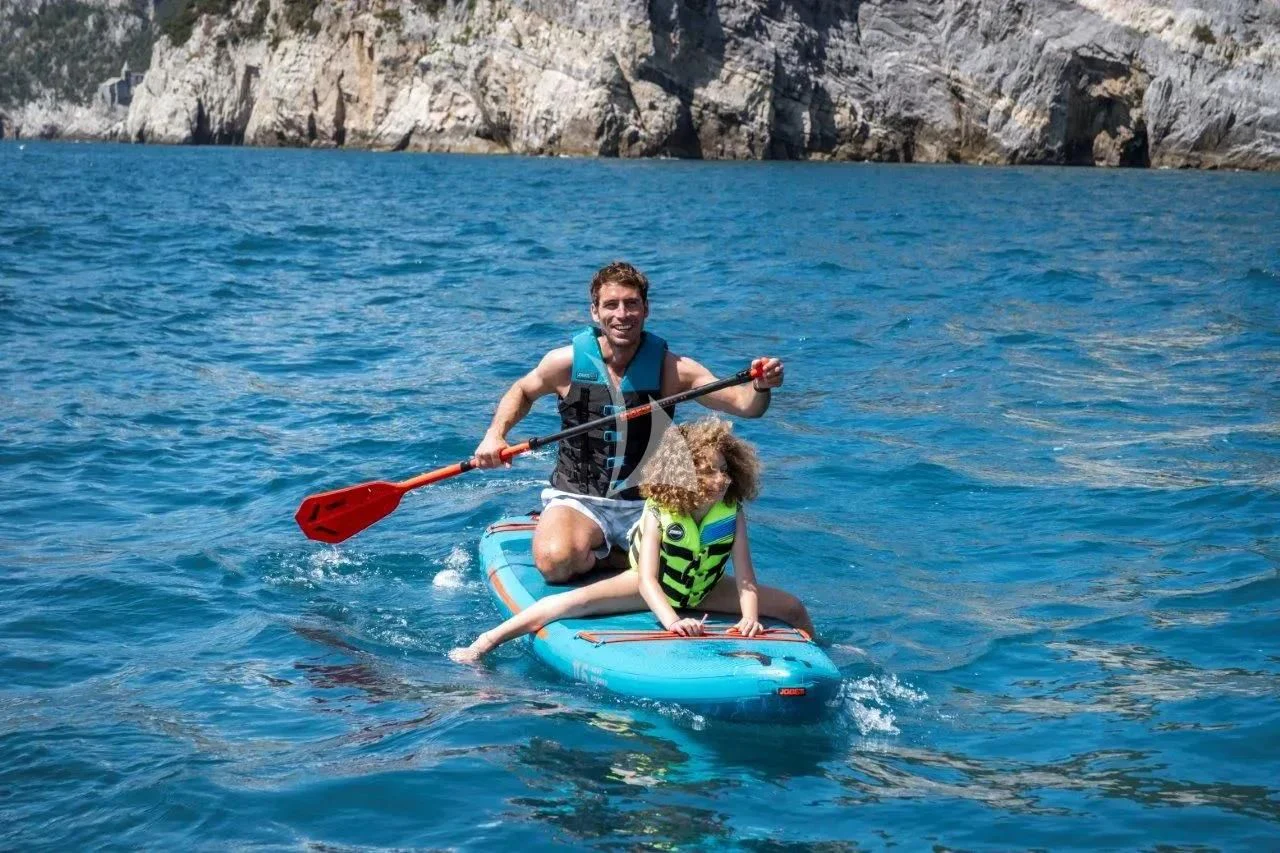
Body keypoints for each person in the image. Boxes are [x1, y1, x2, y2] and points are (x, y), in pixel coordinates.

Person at [472, 261, 784, 583]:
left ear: (645, 310)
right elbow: (522, 390)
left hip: (649, 502)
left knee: (683, 567)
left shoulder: (673, 370)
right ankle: (617, 555)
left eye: (631, 304)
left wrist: (761, 385)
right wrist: (495, 435)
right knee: (555, 562)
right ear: (595, 311)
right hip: (581, 498)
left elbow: (747, 406)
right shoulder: (564, 363)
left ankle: (616, 556)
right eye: (611, 305)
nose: (622, 314)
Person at [449, 418, 813, 663]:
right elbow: (646, 579)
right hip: (648, 589)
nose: (720, 479)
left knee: (793, 607)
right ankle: (484, 643)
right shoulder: (658, 510)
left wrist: (750, 619)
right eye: (706, 471)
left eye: (722, 469)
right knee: (564, 605)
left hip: (705, 589)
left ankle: (817, 656)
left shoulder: (731, 510)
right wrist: (671, 621)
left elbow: (746, 577)